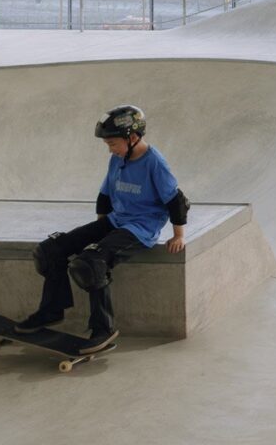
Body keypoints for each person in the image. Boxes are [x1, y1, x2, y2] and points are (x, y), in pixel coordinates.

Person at [17, 105, 189, 352]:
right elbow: (105, 194)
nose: (110, 149)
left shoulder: (155, 163)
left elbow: (176, 200)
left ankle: (103, 329)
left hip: (141, 228)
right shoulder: (117, 159)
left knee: (91, 263)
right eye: (108, 145)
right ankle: (51, 311)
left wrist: (178, 235)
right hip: (115, 221)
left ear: (132, 138)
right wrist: (98, 230)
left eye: (113, 144)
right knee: (50, 250)